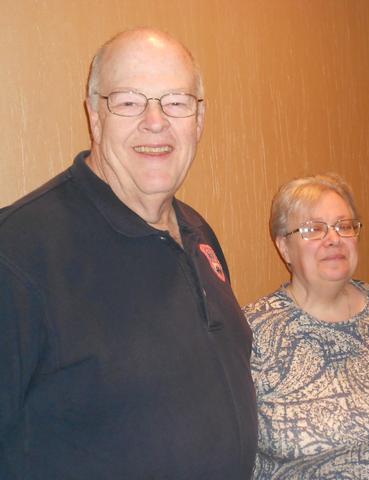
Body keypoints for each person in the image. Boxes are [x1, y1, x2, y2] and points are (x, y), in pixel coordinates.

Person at [0, 29, 257, 479]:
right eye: (129, 101)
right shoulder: (18, 253)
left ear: (199, 118)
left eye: (175, 101)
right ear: (95, 116)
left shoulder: (198, 233)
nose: (155, 121)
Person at [243, 173, 369, 479]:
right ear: (284, 248)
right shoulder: (253, 328)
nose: (333, 238)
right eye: (313, 229)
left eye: (344, 226)